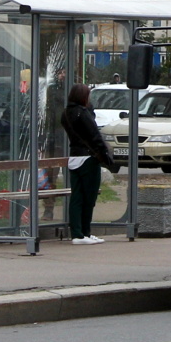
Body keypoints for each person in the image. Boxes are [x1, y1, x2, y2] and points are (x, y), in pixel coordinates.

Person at [60, 83, 121, 244]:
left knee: (77, 196)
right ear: (83, 97)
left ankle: (76, 233)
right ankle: (84, 233)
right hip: (88, 158)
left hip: (74, 158)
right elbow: (95, 135)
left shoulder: (66, 113)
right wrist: (106, 155)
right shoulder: (83, 113)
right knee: (89, 197)